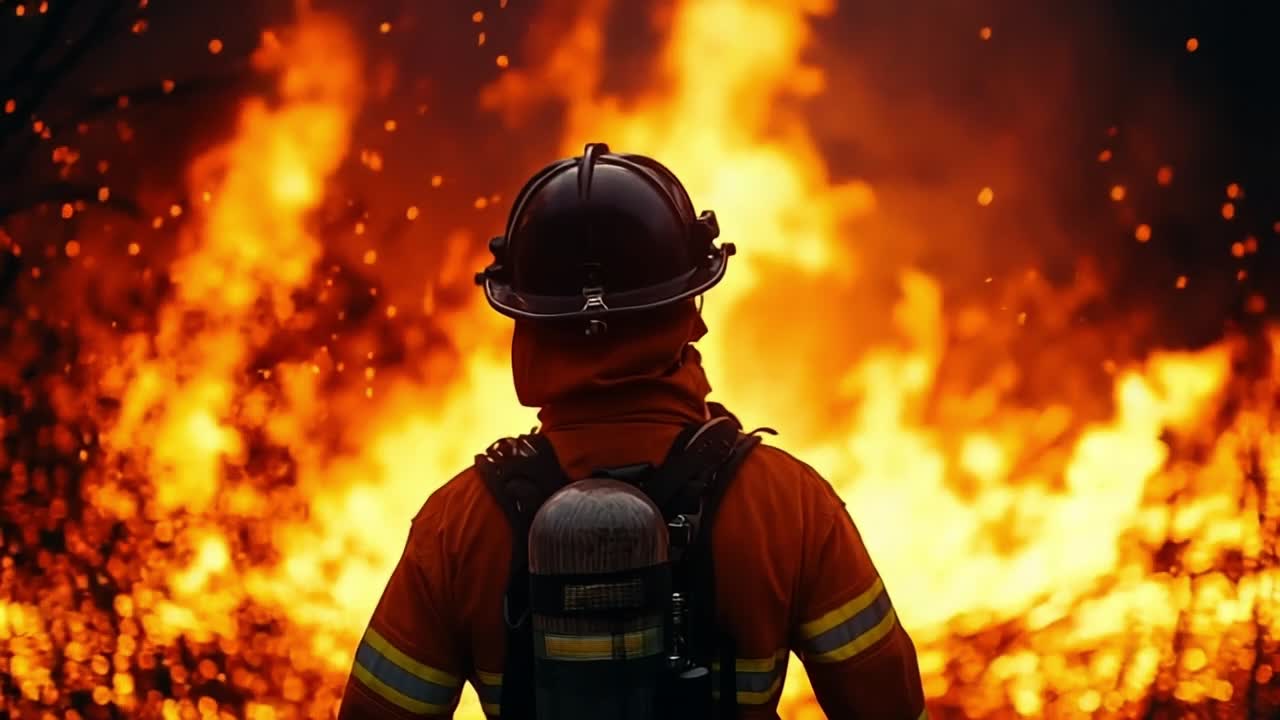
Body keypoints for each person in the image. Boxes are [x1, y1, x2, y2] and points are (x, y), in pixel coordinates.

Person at [336, 144, 927, 719]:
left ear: (529, 328)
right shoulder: (789, 507)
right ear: (688, 313)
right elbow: (887, 703)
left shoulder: (459, 526)